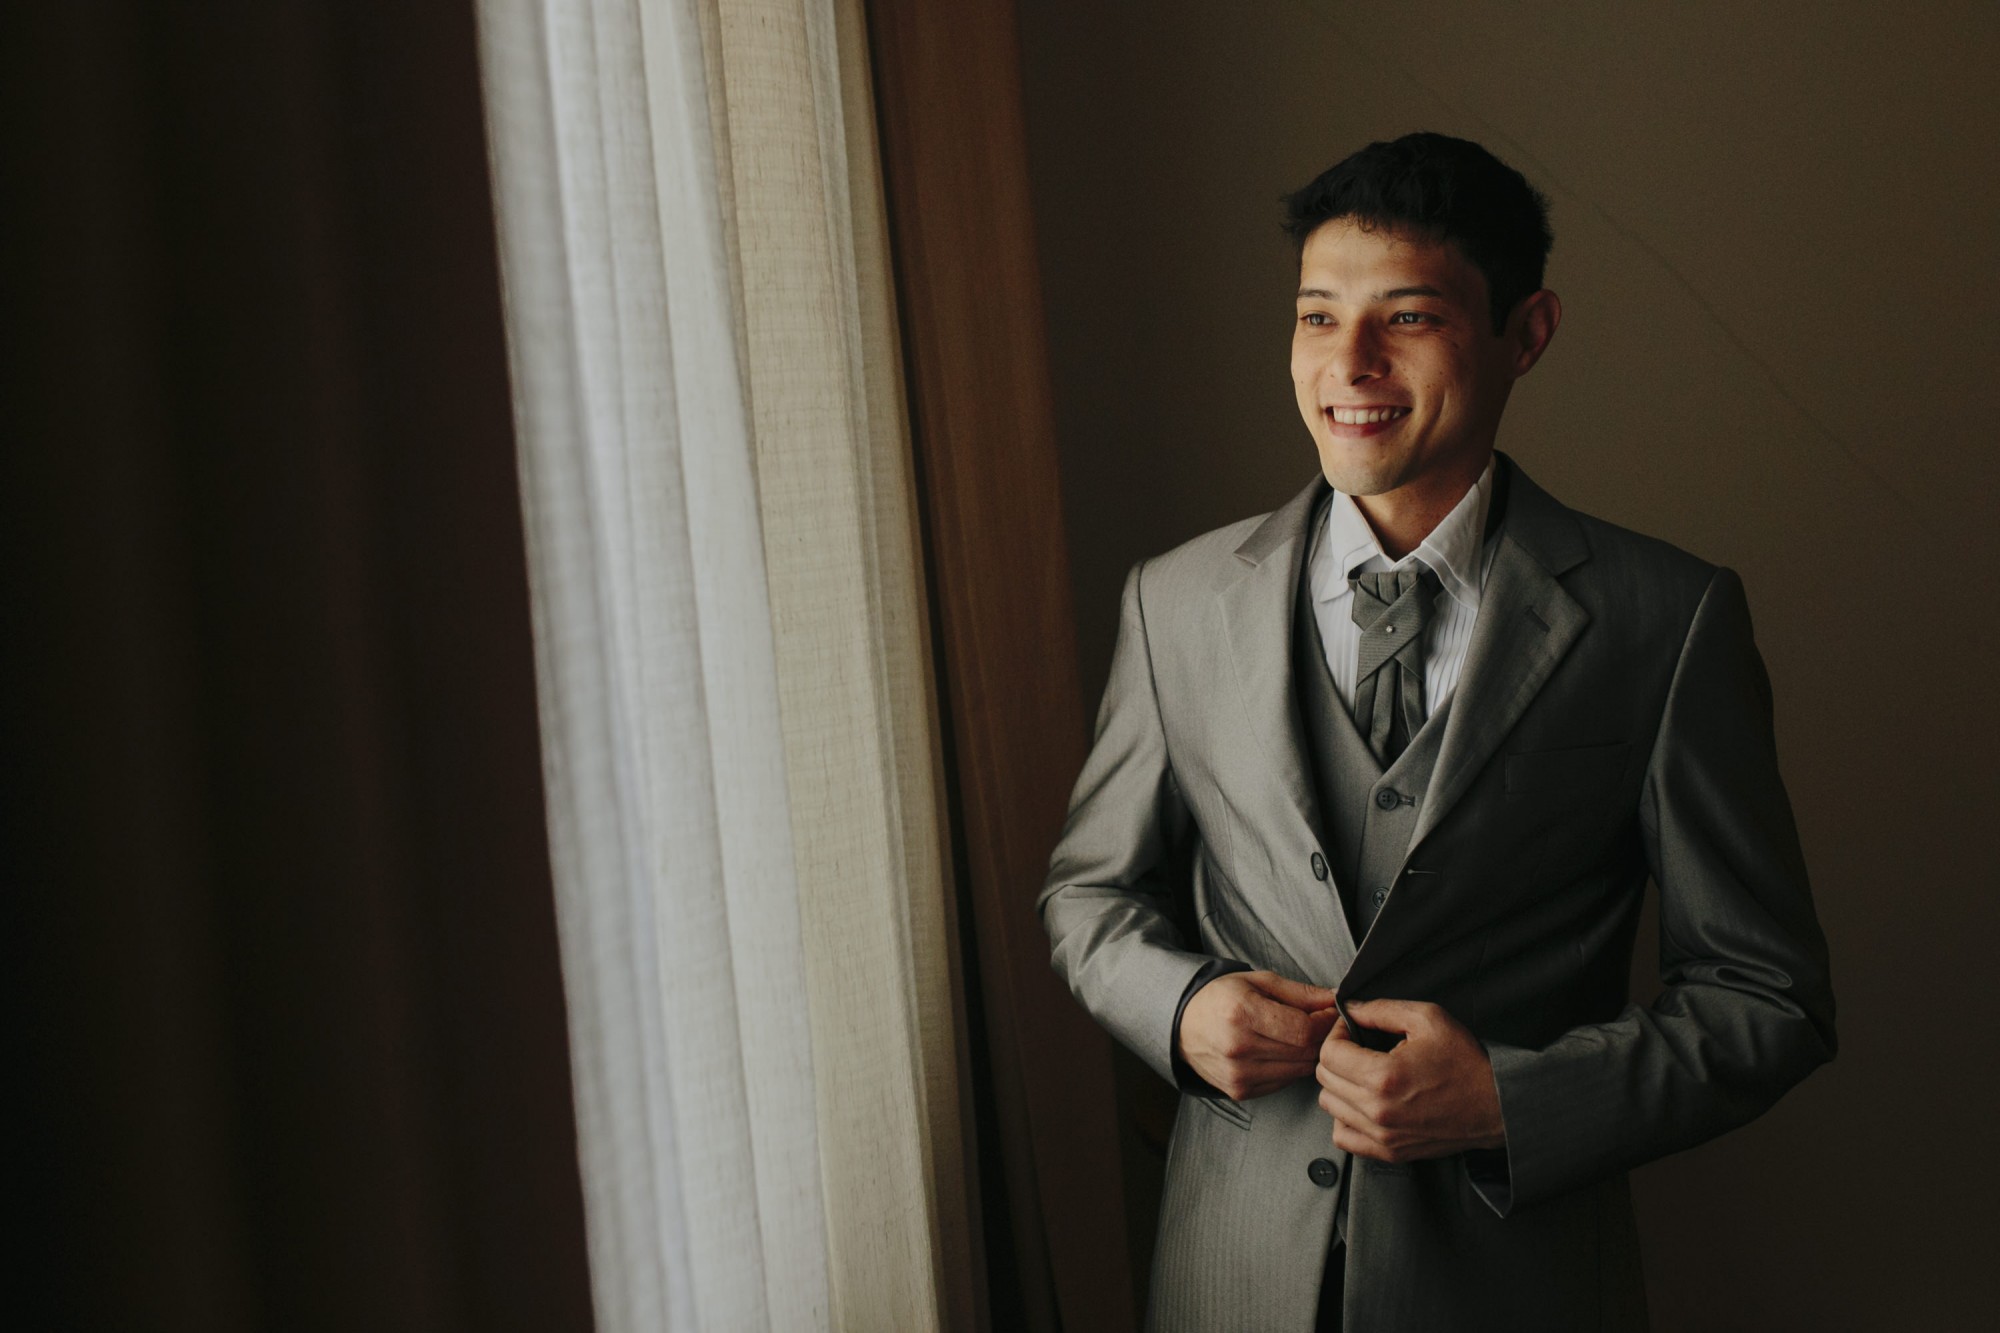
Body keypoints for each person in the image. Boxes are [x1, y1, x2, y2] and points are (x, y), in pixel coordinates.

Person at [1037, 132, 1835, 1332]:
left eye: (1405, 316)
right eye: (1315, 316)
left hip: (1517, 1286)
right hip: (1229, 1275)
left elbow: (1766, 996)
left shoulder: (1663, 620)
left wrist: (1511, 1103)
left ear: (1527, 332)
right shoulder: (1173, 600)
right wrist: (1183, 1007)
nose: (1347, 361)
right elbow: (1089, 896)